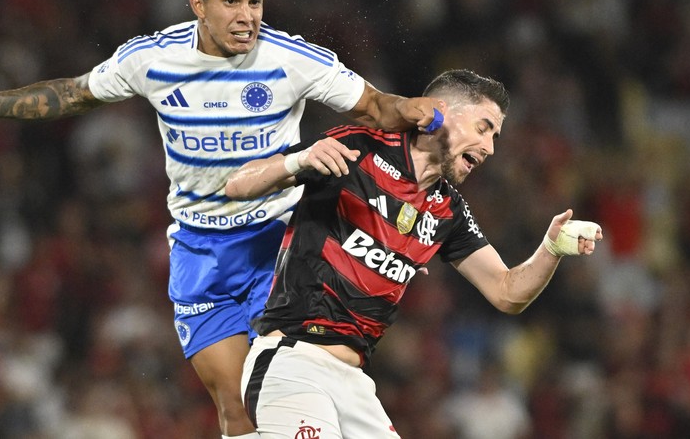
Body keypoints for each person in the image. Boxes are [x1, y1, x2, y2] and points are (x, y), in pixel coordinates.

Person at [0, 0, 445, 439]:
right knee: (237, 412)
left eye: (256, 2)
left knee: (285, 392)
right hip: (200, 253)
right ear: (198, 4)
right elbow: (76, 93)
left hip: (280, 245)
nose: (247, 16)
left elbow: (375, 106)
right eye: (231, 1)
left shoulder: (291, 58)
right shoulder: (153, 59)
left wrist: (411, 108)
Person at [224, 69, 602, 439]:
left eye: (495, 136)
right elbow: (236, 186)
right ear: (440, 112)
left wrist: (551, 248)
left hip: (354, 383)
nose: (489, 148)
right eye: (483, 128)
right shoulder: (359, 149)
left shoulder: (448, 211)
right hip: (293, 361)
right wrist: (299, 161)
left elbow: (506, 292)